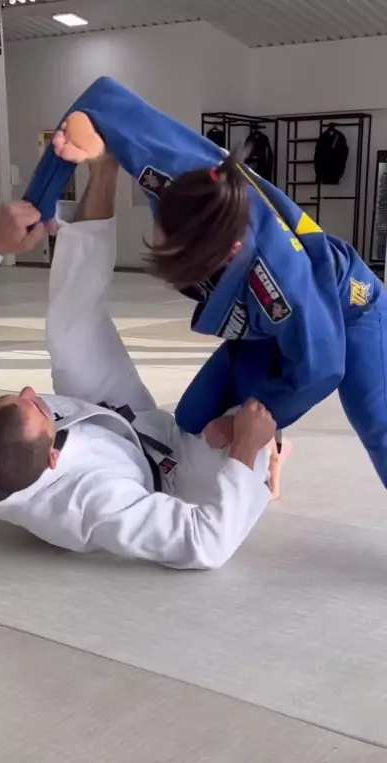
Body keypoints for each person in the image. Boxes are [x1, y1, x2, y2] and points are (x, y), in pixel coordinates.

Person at [0, 155, 278, 571]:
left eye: (12, 397)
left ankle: (104, 168)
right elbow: (206, 545)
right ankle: (269, 445)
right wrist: (247, 451)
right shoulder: (93, 504)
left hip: (112, 420)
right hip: (173, 483)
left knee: (71, 330)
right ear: (53, 459)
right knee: (249, 418)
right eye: (36, 406)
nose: (30, 390)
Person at [24, 76, 387, 489]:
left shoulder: (281, 286)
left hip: (348, 311)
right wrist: (40, 201)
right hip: (264, 327)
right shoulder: (172, 169)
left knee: (377, 425)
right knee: (193, 422)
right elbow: (99, 100)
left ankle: (272, 452)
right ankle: (272, 450)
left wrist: (248, 424)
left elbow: (323, 369)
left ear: (230, 253)